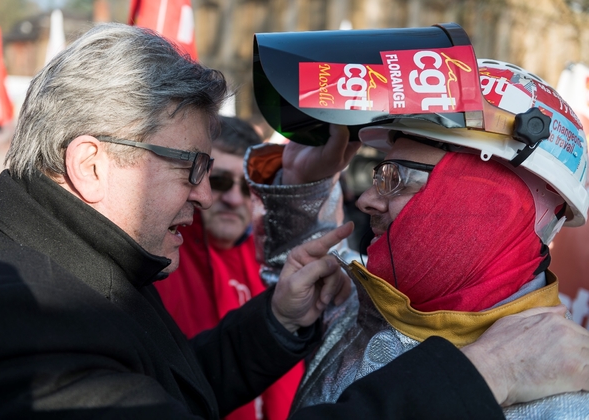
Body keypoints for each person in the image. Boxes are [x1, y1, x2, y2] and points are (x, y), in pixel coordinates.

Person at [0, 22, 587, 420]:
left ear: (496, 200)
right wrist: (484, 376)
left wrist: (279, 322)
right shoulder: (19, 315)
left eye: (396, 175)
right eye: (191, 166)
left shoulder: (562, 391)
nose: (209, 196)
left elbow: (167, 388)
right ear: (90, 166)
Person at [244, 57, 589, 418]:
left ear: (494, 203)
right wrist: (301, 186)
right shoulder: (377, 306)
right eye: (380, 175)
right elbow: (304, 284)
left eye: (396, 178)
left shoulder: (563, 401)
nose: (366, 200)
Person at [154, 115, 304, 420]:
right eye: (219, 181)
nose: (235, 198)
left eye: (248, 187)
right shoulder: (156, 262)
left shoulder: (276, 262)